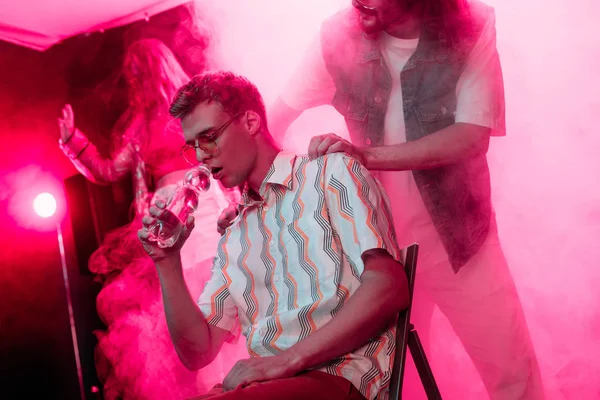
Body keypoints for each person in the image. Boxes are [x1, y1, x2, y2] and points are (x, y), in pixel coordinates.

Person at [217, 1, 543, 399]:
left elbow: (472, 137)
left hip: (460, 243)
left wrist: (366, 156)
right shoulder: (337, 35)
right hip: (377, 253)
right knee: (375, 385)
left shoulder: (470, 24)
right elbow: (274, 119)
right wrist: (253, 200)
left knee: (514, 378)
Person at [137, 70, 410, 400]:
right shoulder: (234, 233)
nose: (199, 156)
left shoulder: (329, 172)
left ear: (250, 123)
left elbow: (390, 286)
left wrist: (284, 362)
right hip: (268, 388)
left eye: (209, 137)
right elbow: (198, 352)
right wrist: (167, 261)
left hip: (339, 379)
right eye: (193, 146)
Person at [58, 39, 245, 399]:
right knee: (189, 294)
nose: (132, 80)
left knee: (220, 284)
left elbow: (221, 153)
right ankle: (214, 384)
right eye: (130, 73)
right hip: (169, 212)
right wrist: (72, 142)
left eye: (137, 70)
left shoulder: (191, 113)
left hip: (203, 204)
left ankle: (236, 378)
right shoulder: (140, 123)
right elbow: (109, 169)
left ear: (155, 67)